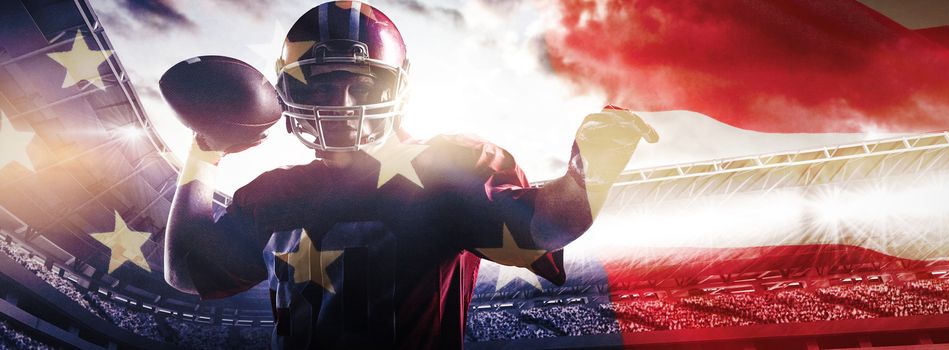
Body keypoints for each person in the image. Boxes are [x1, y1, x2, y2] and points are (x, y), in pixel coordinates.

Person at [163, 1, 657, 349]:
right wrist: (205, 151)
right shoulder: (271, 192)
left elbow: (546, 226)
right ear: (288, 91)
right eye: (324, 84)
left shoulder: (449, 166)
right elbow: (187, 272)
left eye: (362, 85)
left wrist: (589, 169)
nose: (342, 103)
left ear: (397, 88)